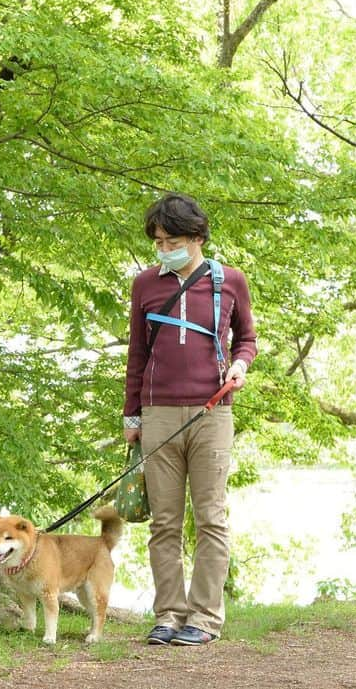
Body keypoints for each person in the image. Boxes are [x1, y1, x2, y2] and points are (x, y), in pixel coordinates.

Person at [123, 193, 257, 646]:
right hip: (158, 413)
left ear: (197, 237)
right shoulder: (145, 284)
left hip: (212, 412)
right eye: (158, 242)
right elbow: (137, 354)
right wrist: (131, 415)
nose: (164, 249)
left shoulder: (230, 281)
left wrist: (240, 366)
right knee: (164, 521)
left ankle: (203, 619)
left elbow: (248, 340)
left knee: (211, 519)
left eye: (172, 240)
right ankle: (168, 614)